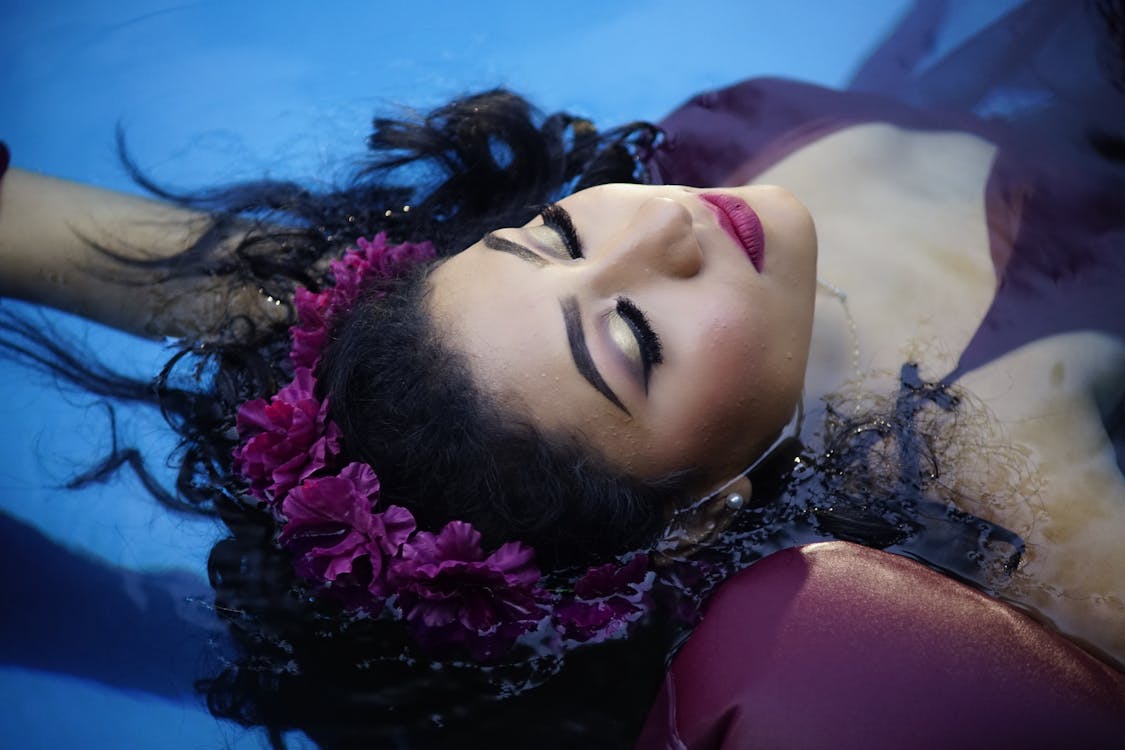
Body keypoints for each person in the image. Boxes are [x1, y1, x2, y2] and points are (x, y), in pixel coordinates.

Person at [2, 0, 1124, 746]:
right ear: (702, 515)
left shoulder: (471, 323)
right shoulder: (1033, 507)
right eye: (636, 335)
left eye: (554, 238)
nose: (659, 229)